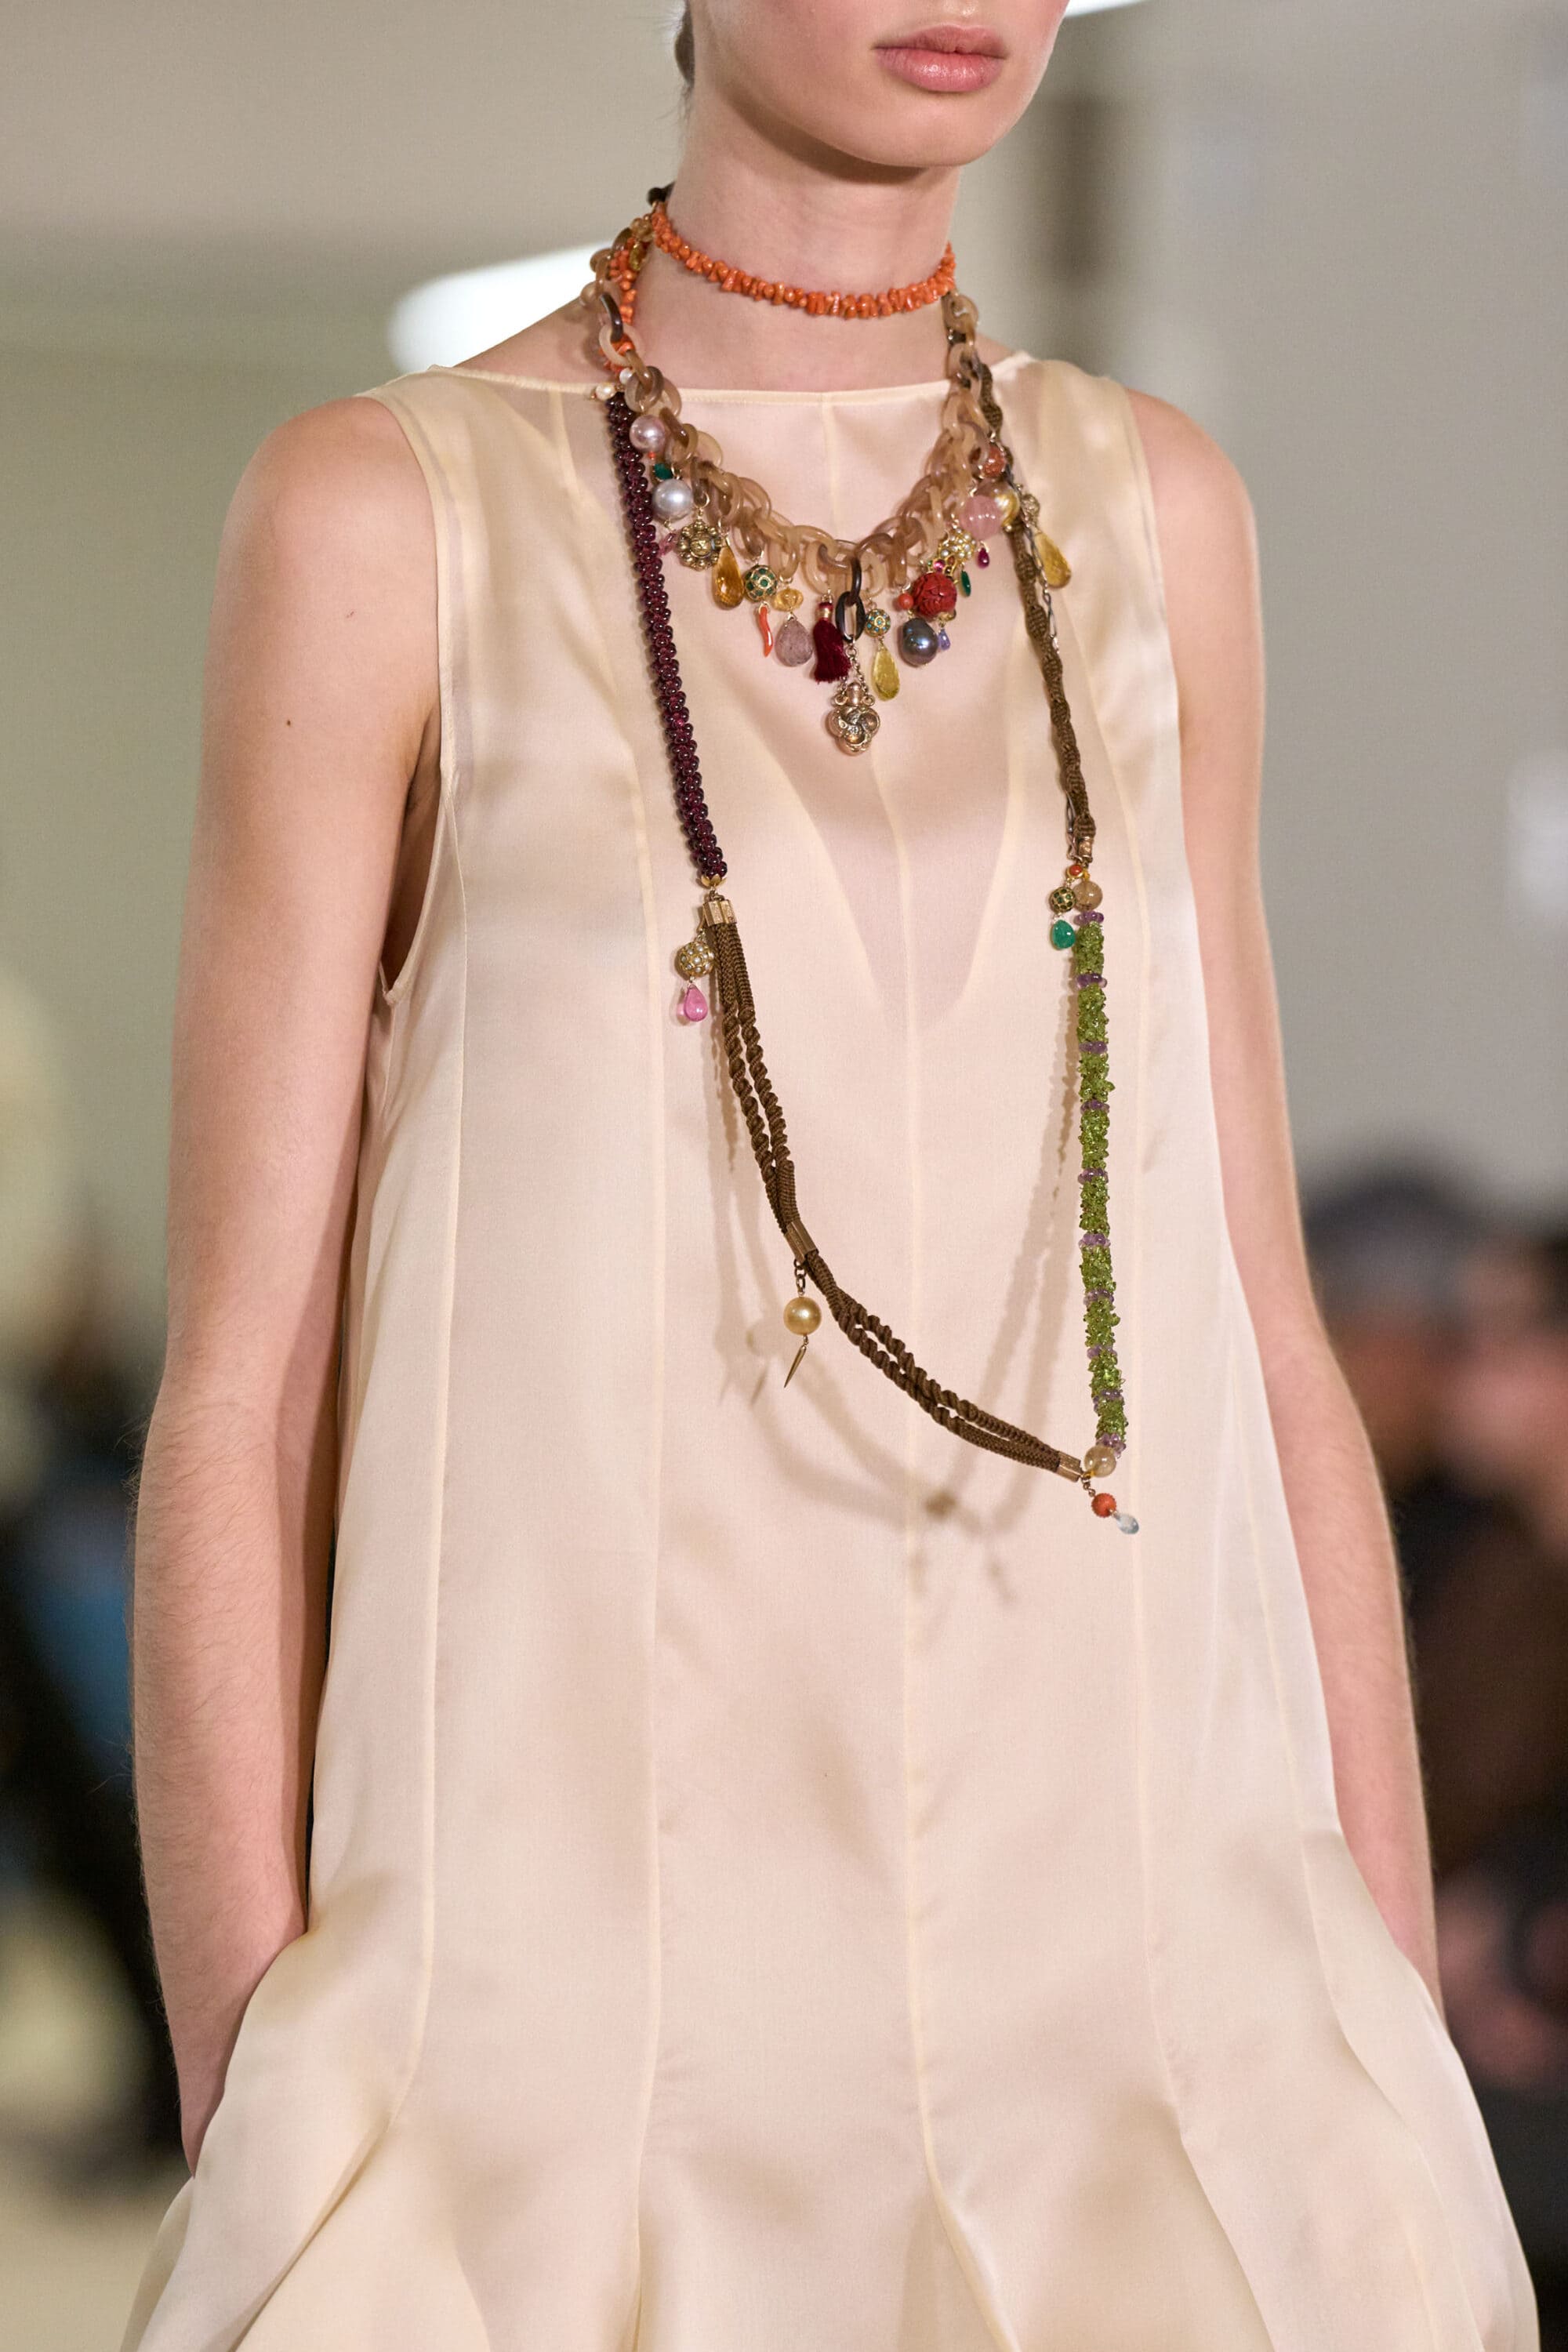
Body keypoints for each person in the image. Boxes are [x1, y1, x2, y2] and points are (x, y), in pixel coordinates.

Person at [123, 5, 1536, 2347]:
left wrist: (1378, 1997)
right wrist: (248, 2051)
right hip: (564, 1990)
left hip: (1146, 1973)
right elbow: (244, 1374)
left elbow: (1254, 1306)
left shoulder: (1156, 514)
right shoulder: (386, 514)